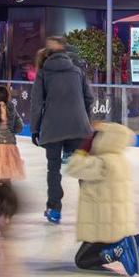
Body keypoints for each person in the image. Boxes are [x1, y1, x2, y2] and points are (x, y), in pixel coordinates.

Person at [65, 122, 139, 275]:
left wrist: (84, 147)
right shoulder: (121, 160)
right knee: (86, 255)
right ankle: (121, 246)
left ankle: (117, 251)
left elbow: (72, 167)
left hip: (104, 229)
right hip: (117, 225)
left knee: (81, 261)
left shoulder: (102, 162)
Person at [30, 43, 95, 224]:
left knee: (54, 169)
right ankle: (90, 209)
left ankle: (54, 209)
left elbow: (36, 104)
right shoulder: (77, 71)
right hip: (78, 126)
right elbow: (89, 98)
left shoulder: (43, 73)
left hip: (53, 127)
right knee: (82, 168)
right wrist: (84, 120)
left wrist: (35, 129)